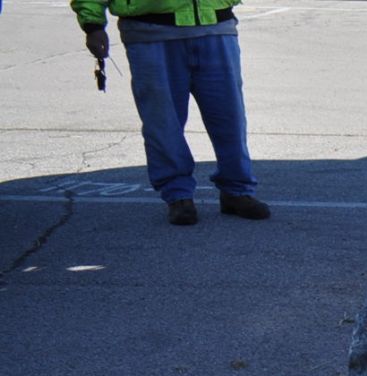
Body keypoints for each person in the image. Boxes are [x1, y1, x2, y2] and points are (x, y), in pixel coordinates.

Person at [73, 0, 269, 225]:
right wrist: (93, 25)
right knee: (163, 122)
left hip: (216, 26)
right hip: (150, 33)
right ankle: (178, 196)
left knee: (230, 119)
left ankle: (237, 190)